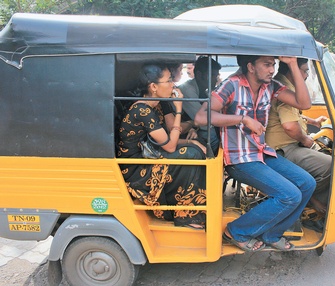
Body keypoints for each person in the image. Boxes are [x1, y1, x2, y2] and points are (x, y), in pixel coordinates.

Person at [195, 55, 316, 251]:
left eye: (274, 65)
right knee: (290, 195)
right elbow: (201, 117)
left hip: (261, 153)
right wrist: (242, 119)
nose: (272, 69)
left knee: (307, 183)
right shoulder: (231, 85)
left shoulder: (271, 86)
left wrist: (293, 64)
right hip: (239, 160)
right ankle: (236, 231)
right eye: (267, 65)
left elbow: (304, 104)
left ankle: (272, 234)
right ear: (251, 66)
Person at [117, 64, 207, 229]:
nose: (173, 85)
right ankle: (184, 215)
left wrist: (191, 141)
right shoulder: (142, 110)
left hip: (149, 155)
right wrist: (179, 109)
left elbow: (166, 138)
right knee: (191, 155)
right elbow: (170, 146)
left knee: (194, 149)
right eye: (169, 81)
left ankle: (191, 206)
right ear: (153, 87)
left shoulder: (155, 104)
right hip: (136, 168)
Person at [266, 58, 332, 231]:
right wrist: (305, 140)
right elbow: (289, 126)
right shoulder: (285, 89)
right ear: (292, 70)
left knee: (325, 154)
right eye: (305, 70)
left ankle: (310, 200)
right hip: (284, 149)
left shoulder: (284, 84)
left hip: (288, 145)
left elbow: (292, 116)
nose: (306, 75)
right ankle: (310, 202)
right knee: (331, 166)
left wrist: (313, 121)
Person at [179, 56, 222, 155]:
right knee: (210, 134)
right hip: (181, 128)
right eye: (212, 75)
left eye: (216, 75)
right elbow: (203, 121)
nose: (216, 79)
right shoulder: (187, 90)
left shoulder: (205, 89)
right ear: (199, 74)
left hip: (192, 126)